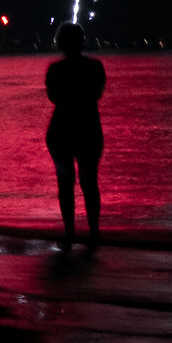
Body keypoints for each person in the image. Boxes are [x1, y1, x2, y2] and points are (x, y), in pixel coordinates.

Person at [45, 23, 105, 249]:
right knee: (90, 182)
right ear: (82, 40)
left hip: (60, 130)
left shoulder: (55, 70)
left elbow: (53, 97)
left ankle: (70, 232)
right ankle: (94, 233)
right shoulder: (95, 67)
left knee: (65, 183)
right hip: (89, 128)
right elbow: (97, 94)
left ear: (60, 42)